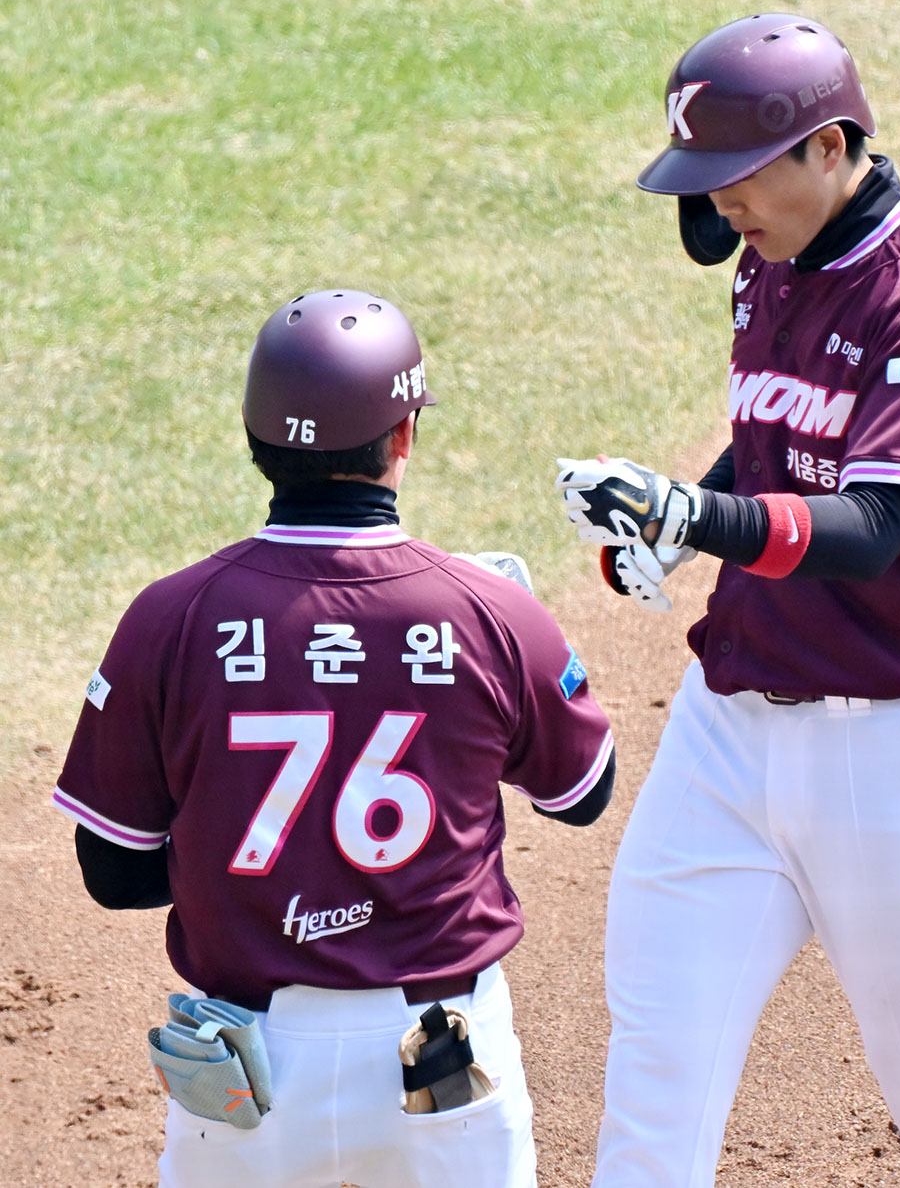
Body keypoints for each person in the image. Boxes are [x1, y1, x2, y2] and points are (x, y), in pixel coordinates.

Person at [553, 15, 900, 1187]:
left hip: (894, 748)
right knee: (657, 1063)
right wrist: (673, 530)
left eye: (739, 172)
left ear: (830, 148)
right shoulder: (771, 260)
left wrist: (695, 516)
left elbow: (875, 524)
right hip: (726, 737)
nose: (721, 202)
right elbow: (775, 438)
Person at [54, 287, 615, 1188]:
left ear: (255, 440)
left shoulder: (171, 616)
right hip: (444, 1060)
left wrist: (255, 870)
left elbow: (113, 872)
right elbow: (583, 795)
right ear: (404, 435)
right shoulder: (487, 611)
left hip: (245, 1070)